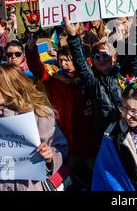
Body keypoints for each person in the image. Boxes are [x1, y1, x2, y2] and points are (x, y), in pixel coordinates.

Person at [26, 37, 97, 190]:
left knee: (93, 176)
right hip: (66, 137)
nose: (64, 64)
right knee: (69, 177)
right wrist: (31, 49)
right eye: (61, 60)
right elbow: (36, 68)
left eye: (68, 60)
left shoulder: (89, 80)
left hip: (88, 138)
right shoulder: (55, 81)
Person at [64, 14, 137, 141]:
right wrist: (73, 37)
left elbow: (135, 57)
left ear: (114, 58)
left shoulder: (123, 76)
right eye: (97, 56)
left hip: (128, 130)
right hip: (104, 134)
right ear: (92, 61)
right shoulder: (92, 81)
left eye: (106, 55)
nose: (101, 59)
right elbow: (81, 63)